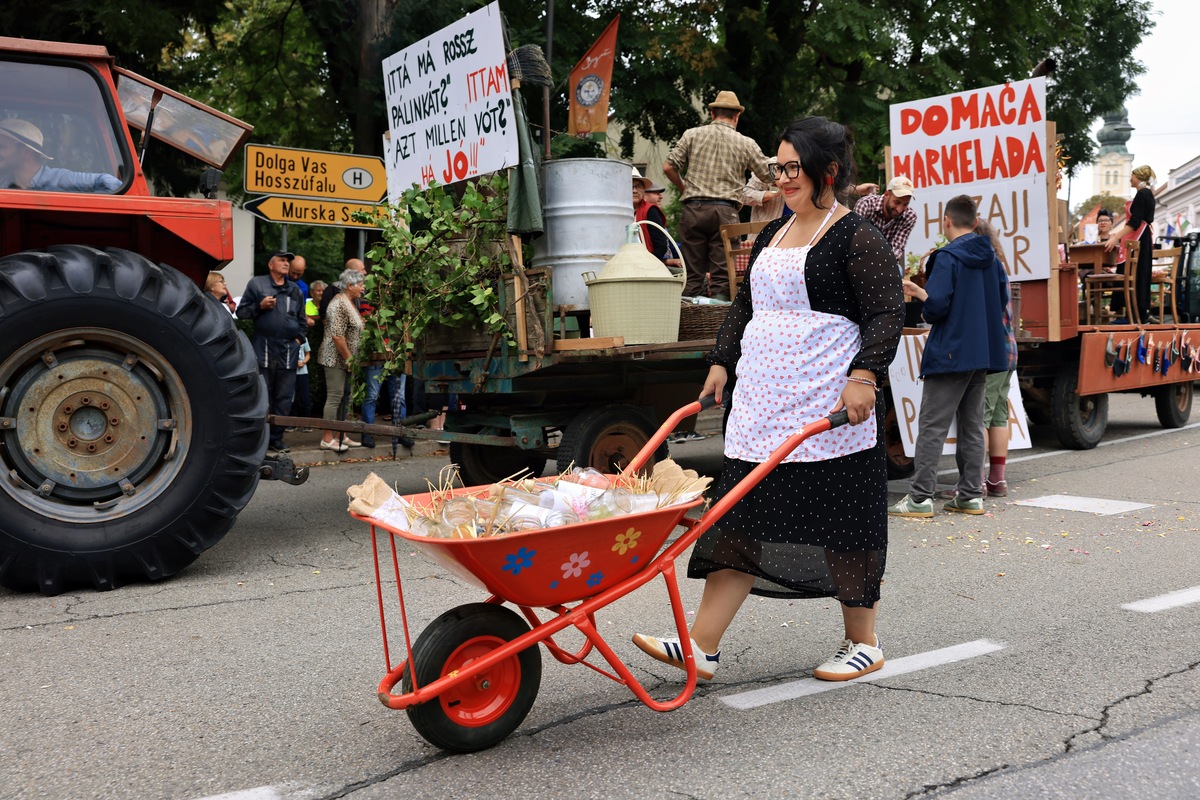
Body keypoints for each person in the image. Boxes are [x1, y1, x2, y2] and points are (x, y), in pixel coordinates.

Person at [633, 116, 904, 682]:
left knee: (845, 526)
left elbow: (885, 312)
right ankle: (701, 646)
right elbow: (744, 307)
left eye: (793, 168)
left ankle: (864, 642)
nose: (782, 178)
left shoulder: (857, 235)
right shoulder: (770, 235)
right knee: (739, 518)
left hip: (829, 409)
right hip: (762, 408)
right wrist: (720, 361)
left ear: (827, 170)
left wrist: (865, 376)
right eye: (778, 168)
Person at [889, 195, 1012, 518]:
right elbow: (1000, 301)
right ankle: (970, 495)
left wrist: (920, 294)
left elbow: (937, 307)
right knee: (973, 425)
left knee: (932, 425)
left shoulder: (946, 257)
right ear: (975, 221)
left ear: (947, 221)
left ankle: (919, 498)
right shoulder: (992, 258)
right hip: (982, 351)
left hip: (950, 351)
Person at [663, 90, 773, 301]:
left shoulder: (692, 135)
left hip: (694, 209)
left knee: (692, 274)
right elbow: (767, 174)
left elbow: (668, 167)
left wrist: (684, 187)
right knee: (723, 276)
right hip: (725, 212)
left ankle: (690, 316)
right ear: (737, 116)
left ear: (712, 113)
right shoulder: (746, 143)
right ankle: (719, 316)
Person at [235, 252, 309, 453]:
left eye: (287, 261)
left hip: (288, 350)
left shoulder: (294, 289)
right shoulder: (257, 284)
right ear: (270, 265)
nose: (286, 263)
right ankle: (261, 438)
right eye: (281, 260)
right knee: (262, 395)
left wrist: (298, 340)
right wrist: (260, 306)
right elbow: (241, 312)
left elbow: (302, 320)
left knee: (284, 397)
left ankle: (277, 438)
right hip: (264, 347)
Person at [0, 119, 122, 194]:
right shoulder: (4, 183)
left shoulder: (60, 179)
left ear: (25, 152)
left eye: (2, 147)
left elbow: (111, 183)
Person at [317, 268, 366, 452]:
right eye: (361, 285)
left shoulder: (349, 302)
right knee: (335, 397)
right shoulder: (338, 304)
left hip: (346, 360)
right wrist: (349, 359)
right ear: (350, 285)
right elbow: (337, 336)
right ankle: (327, 438)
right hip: (335, 359)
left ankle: (341, 435)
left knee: (346, 397)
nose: (363, 288)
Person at [1104, 165, 1157, 323]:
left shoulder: (1142, 194)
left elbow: (1135, 221)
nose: (1130, 178)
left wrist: (1116, 237)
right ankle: (1139, 314)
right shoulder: (1148, 193)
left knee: (1133, 274)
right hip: (1143, 237)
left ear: (1139, 177)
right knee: (1138, 273)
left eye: (1132, 176)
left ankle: (1133, 315)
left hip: (1138, 237)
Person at [853, 176, 917, 269]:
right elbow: (855, 241)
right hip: (859, 260)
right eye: (897, 202)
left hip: (884, 263)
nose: (899, 210)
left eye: (905, 204)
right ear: (886, 194)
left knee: (898, 270)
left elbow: (896, 249)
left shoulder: (909, 216)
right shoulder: (866, 204)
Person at [632, 167, 675, 266]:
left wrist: (648, 264)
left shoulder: (651, 211)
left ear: (643, 191)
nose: (634, 190)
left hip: (646, 265)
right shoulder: (617, 212)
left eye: (638, 187)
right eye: (630, 186)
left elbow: (661, 245)